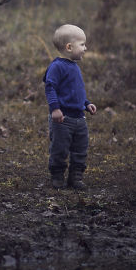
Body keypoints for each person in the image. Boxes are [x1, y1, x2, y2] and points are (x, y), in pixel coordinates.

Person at [44, 24, 97, 189]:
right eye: (82, 44)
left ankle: (76, 177)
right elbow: (50, 87)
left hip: (80, 119)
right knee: (59, 149)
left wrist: (86, 103)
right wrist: (55, 109)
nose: (85, 48)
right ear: (69, 47)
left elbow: (75, 91)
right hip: (63, 119)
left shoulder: (74, 66)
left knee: (80, 149)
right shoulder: (57, 67)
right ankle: (57, 176)